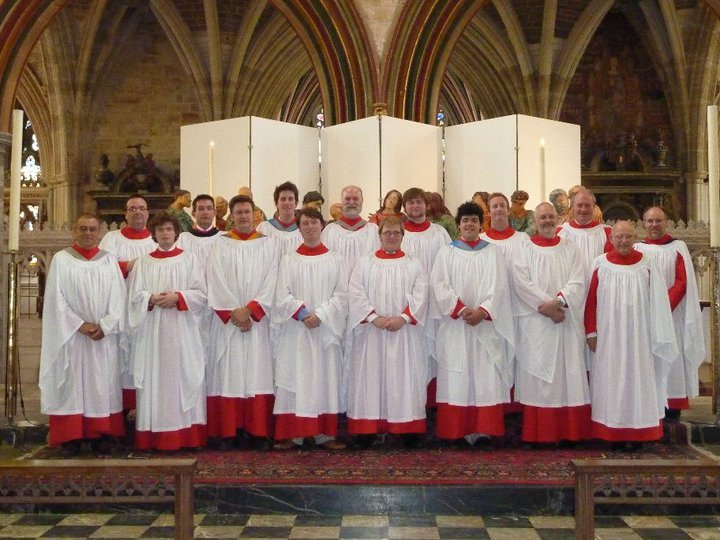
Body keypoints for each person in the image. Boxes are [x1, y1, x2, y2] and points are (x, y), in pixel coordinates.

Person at [584, 220, 678, 446]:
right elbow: (590, 302)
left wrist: (657, 334)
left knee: (639, 382)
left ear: (635, 238)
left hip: (640, 337)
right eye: (619, 237)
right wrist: (591, 333)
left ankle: (639, 434)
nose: (624, 241)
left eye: (628, 236)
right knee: (611, 381)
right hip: (609, 336)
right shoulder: (600, 264)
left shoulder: (647, 265)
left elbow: (659, 303)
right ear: (611, 239)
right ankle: (612, 434)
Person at [40, 214, 127, 454]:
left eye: (92, 229)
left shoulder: (109, 260)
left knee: (102, 383)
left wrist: (106, 325)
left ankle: (102, 434)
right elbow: (55, 300)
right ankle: (71, 437)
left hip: (102, 337)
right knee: (72, 384)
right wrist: (79, 324)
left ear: (99, 232)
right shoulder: (61, 259)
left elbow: (119, 298)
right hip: (72, 336)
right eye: (82, 229)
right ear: (74, 231)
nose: (88, 233)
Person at [431, 202, 514, 446]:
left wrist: (483, 311)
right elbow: (439, 285)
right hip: (457, 324)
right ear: (458, 225)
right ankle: (456, 430)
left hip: (485, 325)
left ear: (481, 225)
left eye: (474, 221)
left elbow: (499, 286)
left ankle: (483, 430)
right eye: (465, 220)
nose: (469, 224)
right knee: (458, 375)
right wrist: (462, 309)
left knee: (484, 375)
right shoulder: (446, 252)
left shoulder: (493, 252)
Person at [127, 213, 207, 450]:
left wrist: (178, 297)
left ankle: (187, 436)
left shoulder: (190, 259)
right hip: (153, 334)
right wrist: (149, 298)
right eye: (160, 229)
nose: (165, 233)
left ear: (176, 233)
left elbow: (201, 294)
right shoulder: (143, 262)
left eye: (169, 229)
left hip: (182, 332)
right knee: (156, 380)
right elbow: (134, 297)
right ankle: (155, 436)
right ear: (154, 234)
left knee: (184, 377)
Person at [346, 217, 429, 448]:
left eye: (396, 233)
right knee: (370, 377)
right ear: (379, 235)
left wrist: (402, 318)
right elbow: (356, 292)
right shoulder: (365, 263)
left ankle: (406, 430)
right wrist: (374, 317)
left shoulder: (414, 264)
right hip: (372, 333)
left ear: (403, 236)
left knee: (403, 377)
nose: (391, 237)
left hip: (403, 334)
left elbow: (421, 294)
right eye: (387, 233)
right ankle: (367, 430)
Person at [513, 203, 591, 444]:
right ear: (535, 221)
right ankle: (539, 434)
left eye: (550, 217)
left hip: (565, 321)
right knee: (539, 376)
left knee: (567, 375)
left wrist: (559, 302)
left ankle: (569, 433)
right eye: (542, 218)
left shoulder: (571, 248)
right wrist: (547, 309)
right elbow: (521, 283)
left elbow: (578, 281)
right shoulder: (524, 249)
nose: (547, 221)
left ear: (557, 219)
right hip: (537, 322)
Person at [205, 194, 278, 449]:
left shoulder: (269, 245)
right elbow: (214, 280)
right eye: (239, 213)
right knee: (229, 373)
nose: (244, 216)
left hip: (257, 321)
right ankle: (229, 431)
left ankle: (257, 431)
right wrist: (234, 313)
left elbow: (273, 281)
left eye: (248, 212)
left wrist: (251, 310)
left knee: (257, 373)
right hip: (229, 324)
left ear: (255, 215)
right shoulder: (220, 245)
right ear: (231, 216)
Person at [272, 207, 348, 450]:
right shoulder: (289, 259)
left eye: (314, 222)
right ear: (299, 226)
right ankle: (294, 434)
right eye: (305, 223)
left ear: (322, 225)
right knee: (296, 377)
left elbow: (342, 294)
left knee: (324, 378)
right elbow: (282, 295)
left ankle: (324, 434)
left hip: (324, 329)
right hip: (297, 330)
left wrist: (322, 315)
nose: (310, 227)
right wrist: (304, 314)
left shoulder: (336, 259)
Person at [634, 206, 705, 420]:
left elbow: (682, 282)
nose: (654, 225)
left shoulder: (677, 247)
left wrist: (663, 306)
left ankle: (672, 407)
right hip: (646, 315)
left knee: (672, 360)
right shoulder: (638, 248)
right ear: (643, 223)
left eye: (658, 221)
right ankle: (650, 406)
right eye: (650, 221)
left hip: (672, 316)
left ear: (665, 222)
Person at [98, 194, 156, 411]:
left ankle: (145, 408)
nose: (137, 212)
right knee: (122, 358)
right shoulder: (112, 239)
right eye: (132, 209)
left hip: (148, 309)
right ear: (126, 214)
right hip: (120, 307)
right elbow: (101, 268)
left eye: (141, 208)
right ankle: (121, 410)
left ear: (148, 213)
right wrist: (129, 265)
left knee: (145, 356)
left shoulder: (157, 239)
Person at [480, 192, 531, 414]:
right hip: (491, 311)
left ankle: (517, 408)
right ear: (489, 212)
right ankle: (498, 407)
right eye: (494, 206)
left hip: (519, 307)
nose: (499, 210)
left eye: (502, 206)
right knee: (495, 357)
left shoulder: (522, 239)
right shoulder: (481, 241)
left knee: (518, 356)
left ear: (508, 209)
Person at [400, 187, 452, 408]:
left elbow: (451, 264)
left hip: (435, 303)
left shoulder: (439, 233)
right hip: (407, 305)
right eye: (410, 202)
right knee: (412, 353)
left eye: (419, 202)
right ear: (404, 207)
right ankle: (411, 401)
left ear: (427, 205)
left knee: (435, 350)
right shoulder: (397, 233)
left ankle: (432, 402)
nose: (415, 206)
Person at [321, 185, 380, 276]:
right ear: (342, 201)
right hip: (337, 287)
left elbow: (377, 265)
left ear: (362, 201)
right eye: (347, 199)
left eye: (355, 199)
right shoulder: (329, 231)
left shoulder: (373, 231)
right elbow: (324, 264)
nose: (351, 202)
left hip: (364, 287)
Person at [557, 188, 612, 272]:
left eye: (587, 205)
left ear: (594, 207)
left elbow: (611, 266)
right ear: (572, 207)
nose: (583, 209)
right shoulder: (560, 232)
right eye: (579, 205)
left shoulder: (607, 232)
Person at [257, 181, 303, 259]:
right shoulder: (264, 229)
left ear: (296, 203)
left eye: (290, 199)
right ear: (276, 203)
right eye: (283, 199)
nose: (287, 203)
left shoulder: (303, 230)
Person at [176, 194, 223, 262]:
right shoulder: (183, 239)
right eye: (201, 209)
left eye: (209, 208)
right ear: (193, 213)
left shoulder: (223, 238)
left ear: (214, 212)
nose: (205, 212)